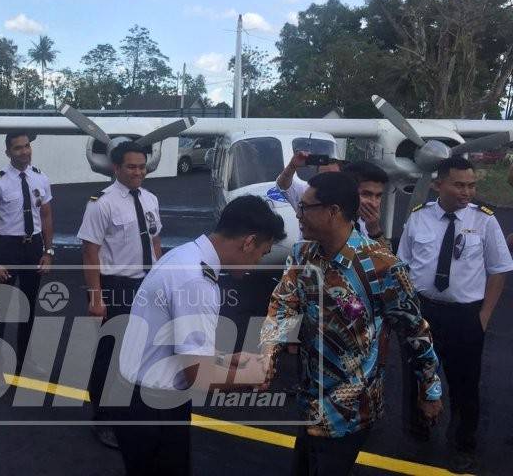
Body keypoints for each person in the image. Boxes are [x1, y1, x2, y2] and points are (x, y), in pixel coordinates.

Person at [260, 172, 443, 476]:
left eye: (305, 207)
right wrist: (269, 352)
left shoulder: (382, 266)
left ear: (332, 211)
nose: (298, 213)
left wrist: (430, 389)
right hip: (310, 399)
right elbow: (282, 304)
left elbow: (414, 332)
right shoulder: (303, 254)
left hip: (350, 409)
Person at [115, 195, 286, 475]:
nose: (258, 263)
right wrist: (255, 375)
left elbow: (176, 346)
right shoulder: (197, 282)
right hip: (154, 407)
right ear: (248, 242)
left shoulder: (184, 255)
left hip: (138, 398)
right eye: (262, 253)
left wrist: (229, 359)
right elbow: (200, 376)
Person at [397, 156, 512, 472]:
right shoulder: (419, 218)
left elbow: (499, 270)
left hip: (465, 316)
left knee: (465, 384)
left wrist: (484, 316)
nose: (467, 192)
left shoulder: (485, 221)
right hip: (423, 311)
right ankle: (418, 433)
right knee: (417, 377)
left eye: (472, 185)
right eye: (459, 185)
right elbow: (402, 266)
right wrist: (407, 310)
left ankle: (463, 444)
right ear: (438, 185)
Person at [77, 141, 163, 449]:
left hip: (146, 285)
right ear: (116, 168)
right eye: (131, 166)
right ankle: (103, 419)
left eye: (142, 166)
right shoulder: (101, 203)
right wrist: (96, 297)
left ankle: (132, 409)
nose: (138, 171)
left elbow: (155, 242)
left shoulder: (151, 199)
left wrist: (160, 279)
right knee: (109, 355)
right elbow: (90, 252)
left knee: (142, 350)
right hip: (116, 285)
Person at [0, 132, 54, 375]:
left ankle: (25, 361)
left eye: (27, 146)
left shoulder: (40, 178)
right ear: (8, 152)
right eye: (18, 148)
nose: (24, 152)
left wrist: (48, 251)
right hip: (8, 248)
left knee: (29, 307)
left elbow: (46, 216)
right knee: (1, 308)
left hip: (33, 248)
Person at [341, 160, 391, 247]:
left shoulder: (365, 223)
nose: (374, 203)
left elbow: (389, 260)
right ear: (347, 191)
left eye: (378, 196)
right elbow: (356, 258)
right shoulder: (332, 223)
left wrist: (375, 231)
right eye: (366, 194)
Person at [275, 149, 341, 211]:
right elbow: (283, 186)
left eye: (332, 176)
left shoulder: (346, 199)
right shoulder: (307, 194)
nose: (327, 180)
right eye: (323, 176)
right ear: (316, 177)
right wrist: (292, 166)